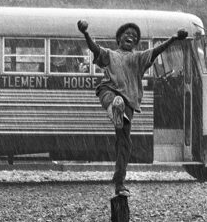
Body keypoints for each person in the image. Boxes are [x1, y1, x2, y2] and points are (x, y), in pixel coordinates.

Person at [77, 20, 189, 196]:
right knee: (111, 99)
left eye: (134, 37)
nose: (131, 36)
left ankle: (119, 181)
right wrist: (85, 33)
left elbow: (157, 51)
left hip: (128, 102)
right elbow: (94, 48)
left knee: (125, 143)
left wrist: (173, 38)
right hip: (110, 91)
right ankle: (115, 111)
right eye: (127, 34)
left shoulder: (139, 58)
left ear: (136, 44)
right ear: (119, 38)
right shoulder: (110, 55)